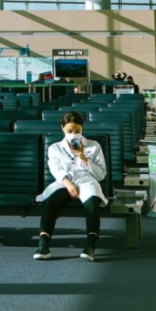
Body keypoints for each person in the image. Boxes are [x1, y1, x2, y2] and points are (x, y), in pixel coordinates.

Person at [33, 112, 107, 261]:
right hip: (64, 182)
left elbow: (100, 175)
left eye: (77, 131)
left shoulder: (94, 146)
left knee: (92, 203)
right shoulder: (55, 148)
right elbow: (56, 169)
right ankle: (43, 243)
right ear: (62, 129)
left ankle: (91, 245)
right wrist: (68, 184)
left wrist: (83, 157)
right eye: (70, 131)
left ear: (82, 129)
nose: (74, 135)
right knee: (52, 202)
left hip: (87, 181)